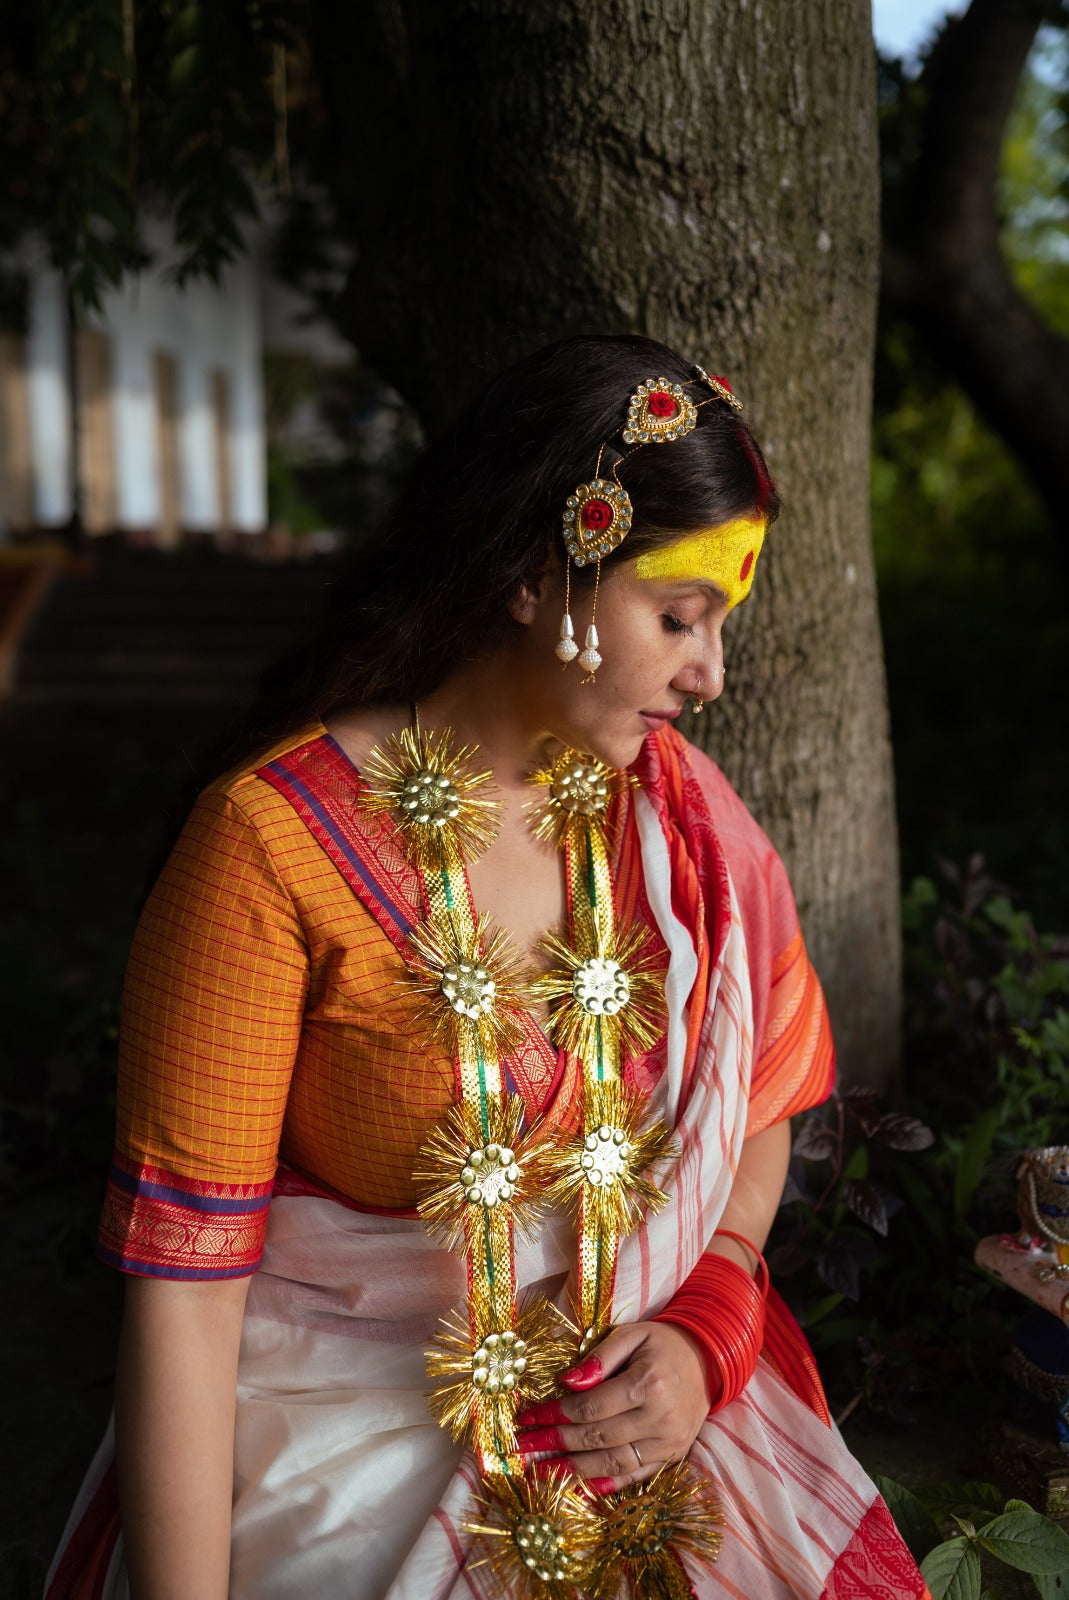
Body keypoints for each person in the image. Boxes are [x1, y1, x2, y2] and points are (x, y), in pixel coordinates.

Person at [46, 335, 930, 1600]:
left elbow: (763, 1109)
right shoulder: (267, 849)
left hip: (646, 1441)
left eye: (718, 626)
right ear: (533, 572)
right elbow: (185, 1300)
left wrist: (706, 1328)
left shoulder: (681, 825)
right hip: (342, 1448)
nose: (709, 673)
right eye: (678, 616)